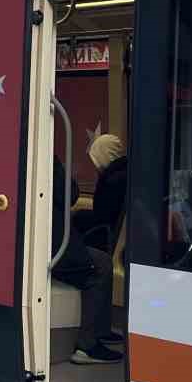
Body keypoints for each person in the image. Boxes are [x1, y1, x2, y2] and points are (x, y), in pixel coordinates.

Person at [71, 133, 129, 365]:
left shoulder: (111, 179)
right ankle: (102, 328)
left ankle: (88, 342)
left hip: (98, 235)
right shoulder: (123, 174)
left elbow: (100, 214)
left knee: (97, 267)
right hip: (109, 236)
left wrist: (77, 217)